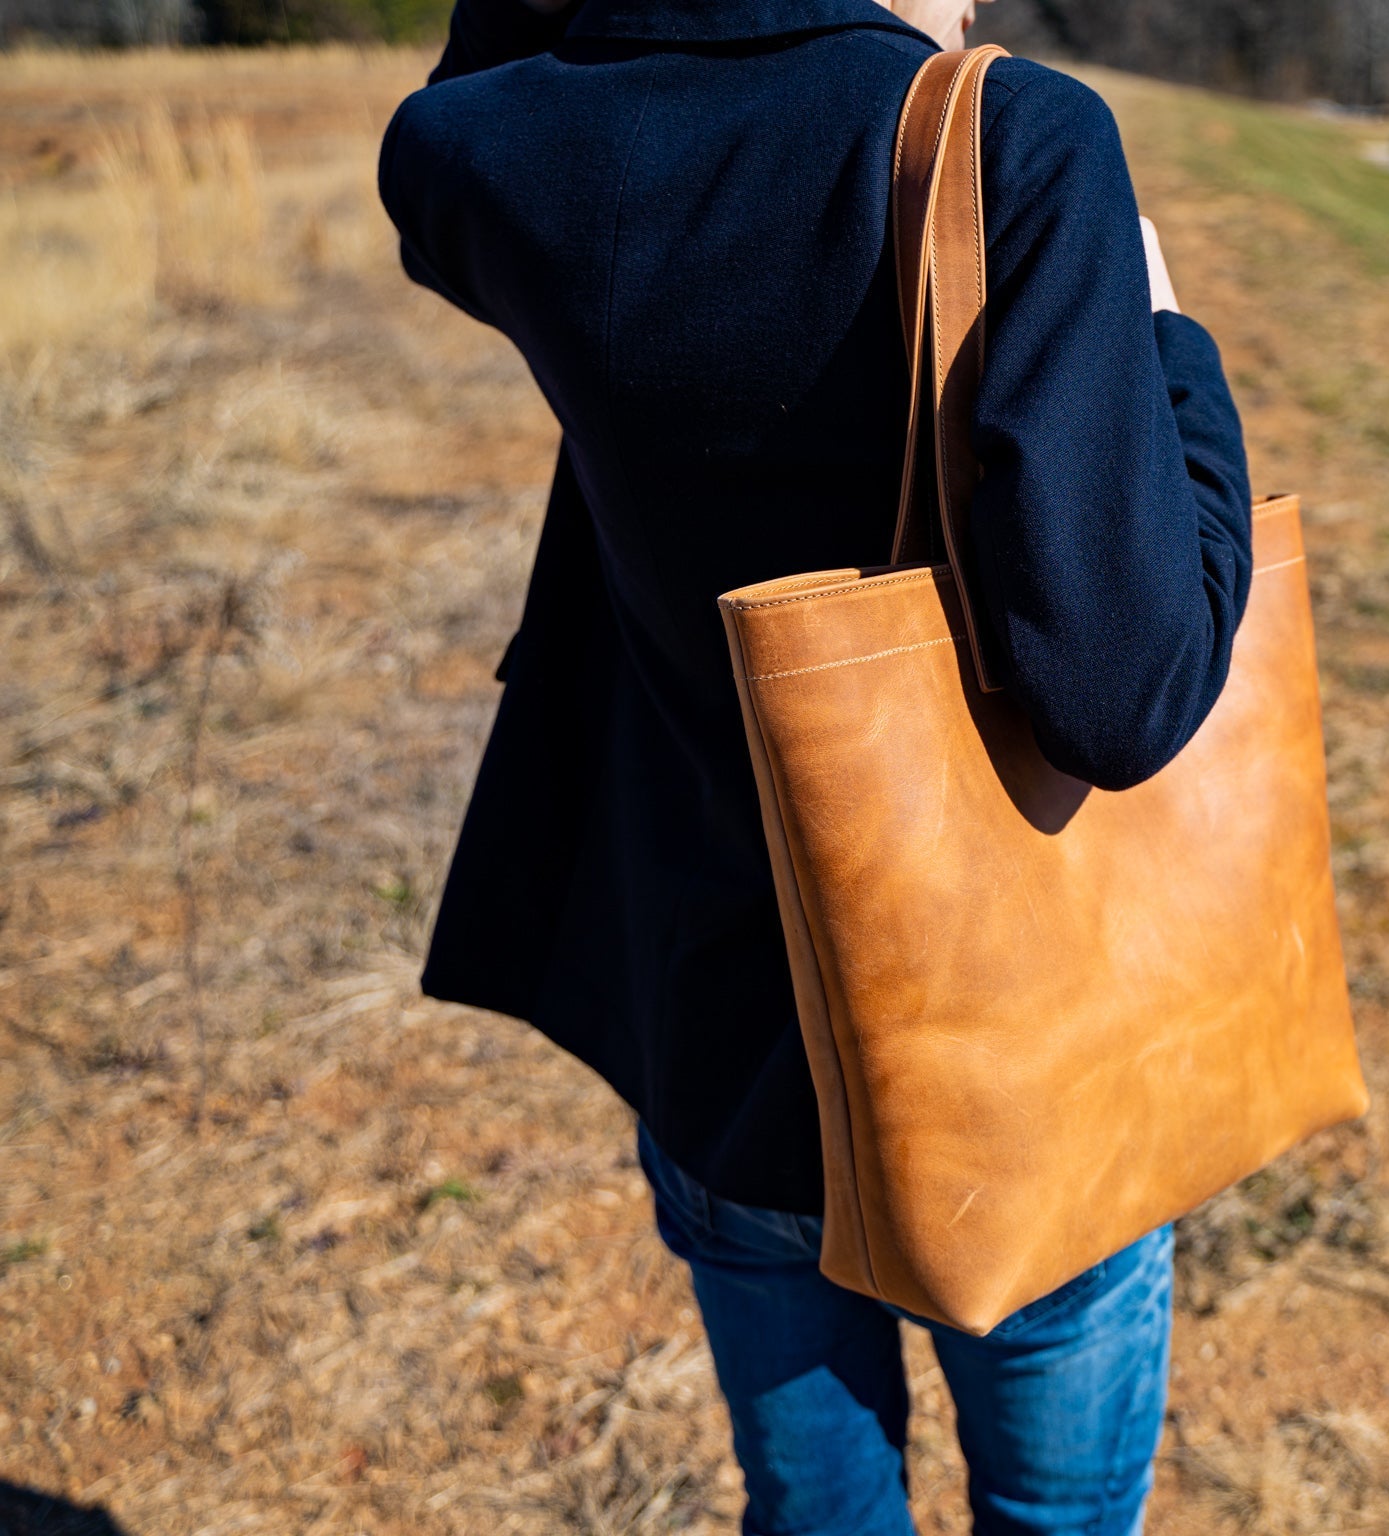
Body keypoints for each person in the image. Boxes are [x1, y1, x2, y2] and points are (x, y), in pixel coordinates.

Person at [379, 0, 1254, 1529]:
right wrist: (1172, 349)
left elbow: (444, 128)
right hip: (1016, 1075)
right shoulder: (1018, 144)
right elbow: (1130, 695)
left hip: (721, 1044)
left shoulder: (509, 150)